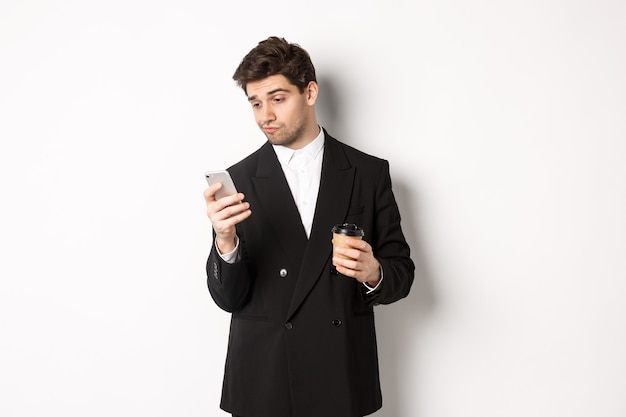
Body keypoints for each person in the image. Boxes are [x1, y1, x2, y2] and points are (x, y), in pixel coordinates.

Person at [203, 36, 415, 417]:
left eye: (278, 98)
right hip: (263, 381)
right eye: (255, 102)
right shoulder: (239, 179)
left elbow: (402, 274)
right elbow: (228, 299)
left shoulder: (368, 173)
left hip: (340, 376)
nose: (265, 114)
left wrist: (373, 272)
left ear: (310, 92)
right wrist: (225, 241)